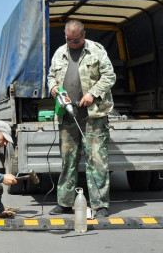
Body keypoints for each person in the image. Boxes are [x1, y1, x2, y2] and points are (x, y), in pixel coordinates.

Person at [47, 20, 116, 217]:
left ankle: (100, 204)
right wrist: (52, 87)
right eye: (69, 40)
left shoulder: (97, 50)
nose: (72, 43)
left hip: (94, 115)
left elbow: (109, 76)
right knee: (68, 160)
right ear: (65, 36)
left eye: (76, 40)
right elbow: (51, 76)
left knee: (97, 160)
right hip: (67, 115)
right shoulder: (60, 52)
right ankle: (65, 202)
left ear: (83, 35)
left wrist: (92, 94)